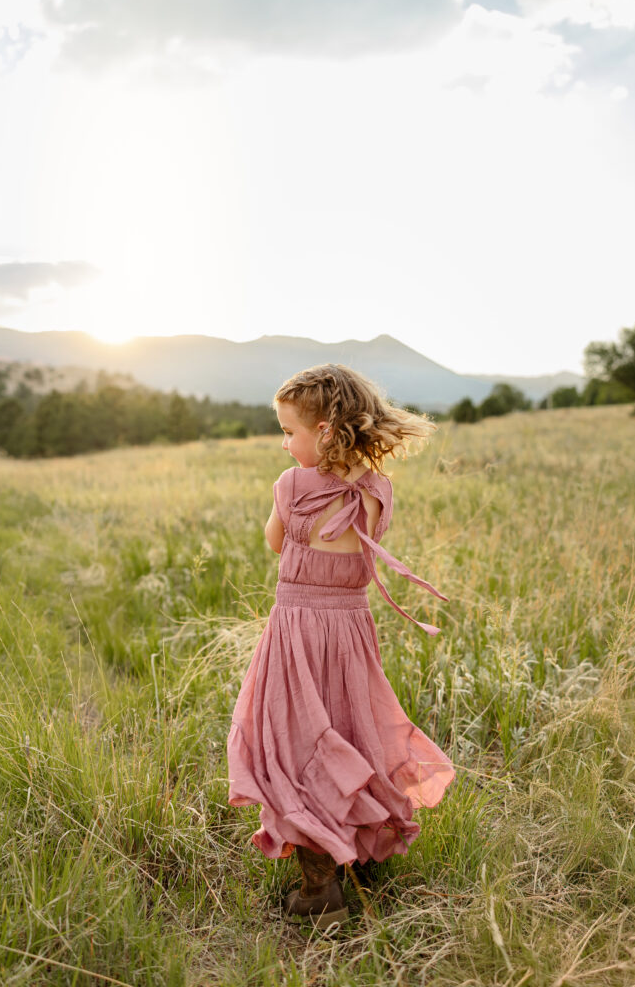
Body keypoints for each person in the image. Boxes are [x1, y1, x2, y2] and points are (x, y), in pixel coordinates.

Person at [226, 363, 456, 929]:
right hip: (351, 633)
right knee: (354, 730)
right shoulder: (379, 489)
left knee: (298, 737)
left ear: (325, 431)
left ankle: (319, 886)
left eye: (289, 432)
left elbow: (276, 543)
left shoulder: (293, 486)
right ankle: (358, 844)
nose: (285, 444)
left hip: (298, 632)